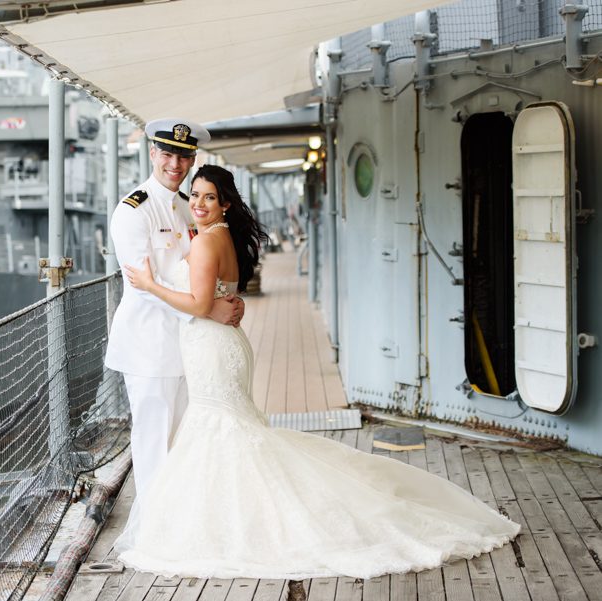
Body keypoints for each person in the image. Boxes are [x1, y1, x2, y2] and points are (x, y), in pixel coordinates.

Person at [115, 164, 520, 580]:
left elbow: (201, 305)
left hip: (210, 346)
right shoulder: (223, 237)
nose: (198, 203)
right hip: (223, 345)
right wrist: (221, 303)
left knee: (222, 430)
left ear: (226, 204)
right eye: (195, 195)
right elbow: (221, 295)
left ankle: (231, 526)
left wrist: (149, 285)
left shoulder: (204, 244)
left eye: (209, 197)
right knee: (231, 431)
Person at [103, 119, 244, 501]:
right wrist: (207, 309)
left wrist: (226, 297)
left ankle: (180, 523)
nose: (175, 164)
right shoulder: (134, 211)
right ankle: (152, 529)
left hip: (191, 345)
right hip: (150, 345)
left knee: (185, 439)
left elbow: (204, 269)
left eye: (184, 156)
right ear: (152, 153)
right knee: (154, 441)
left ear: (193, 157)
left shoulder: (188, 206)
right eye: (167, 154)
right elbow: (142, 284)